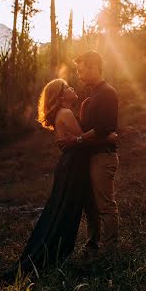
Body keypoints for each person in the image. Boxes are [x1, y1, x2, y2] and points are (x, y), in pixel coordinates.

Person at [0, 78, 116, 290]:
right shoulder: (66, 113)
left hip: (71, 165)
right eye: (67, 87)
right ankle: (54, 252)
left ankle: (84, 246)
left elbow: (78, 139)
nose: (72, 88)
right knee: (64, 212)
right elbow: (84, 141)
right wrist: (110, 138)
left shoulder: (65, 112)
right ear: (60, 96)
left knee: (64, 209)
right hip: (73, 167)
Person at [57, 50, 119, 256]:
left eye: (82, 70)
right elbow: (90, 130)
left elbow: (105, 128)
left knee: (105, 205)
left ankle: (110, 249)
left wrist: (78, 139)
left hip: (103, 156)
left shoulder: (107, 93)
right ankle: (92, 244)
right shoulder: (90, 98)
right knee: (91, 206)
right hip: (92, 157)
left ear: (94, 67)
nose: (79, 74)